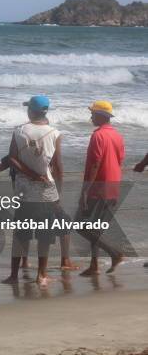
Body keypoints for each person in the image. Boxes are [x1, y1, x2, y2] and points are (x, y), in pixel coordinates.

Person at [2, 96, 63, 286]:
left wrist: (30, 175)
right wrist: (58, 192)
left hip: (23, 192)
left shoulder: (19, 131)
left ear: (30, 111)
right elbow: (58, 166)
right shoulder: (55, 133)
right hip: (47, 192)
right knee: (44, 235)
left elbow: (12, 158)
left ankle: (13, 276)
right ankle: (41, 275)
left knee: (21, 234)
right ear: (45, 112)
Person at [0, 153, 77, 271]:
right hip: (43, 196)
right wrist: (57, 193)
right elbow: (53, 169)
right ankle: (64, 261)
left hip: (23, 196)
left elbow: (7, 162)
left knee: (24, 228)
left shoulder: (18, 152)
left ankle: (24, 262)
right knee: (63, 221)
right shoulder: (38, 150)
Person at [77, 101, 125, 276]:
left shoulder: (98, 136)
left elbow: (95, 164)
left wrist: (85, 190)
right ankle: (94, 265)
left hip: (99, 188)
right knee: (95, 228)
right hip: (113, 186)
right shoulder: (118, 136)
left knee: (81, 226)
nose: (90, 117)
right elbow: (120, 161)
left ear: (101, 116)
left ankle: (115, 253)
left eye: (93, 113)